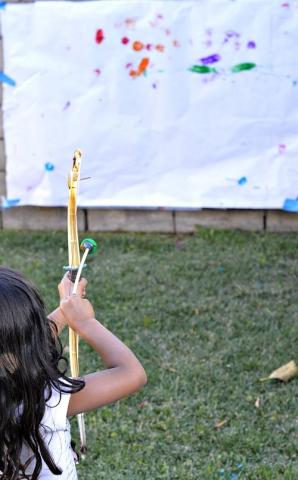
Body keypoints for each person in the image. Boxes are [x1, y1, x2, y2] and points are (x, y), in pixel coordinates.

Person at [0, 267, 147, 479]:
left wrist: (64, 313)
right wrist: (84, 322)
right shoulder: (44, 400)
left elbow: (19, 347)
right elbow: (132, 374)